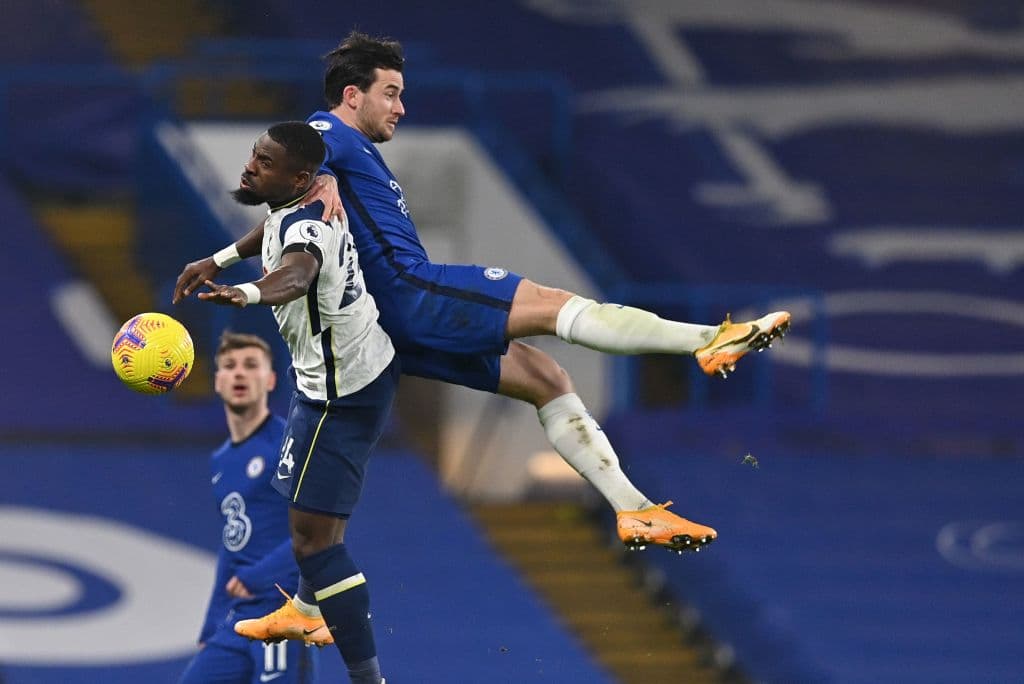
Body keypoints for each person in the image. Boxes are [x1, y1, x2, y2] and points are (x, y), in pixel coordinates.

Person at [174, 30, 788, 639]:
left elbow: (288, 201)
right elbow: (286, 167)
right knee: (554, 306)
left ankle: (633, 510)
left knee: (547, 379)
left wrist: (226, 254)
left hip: (390, 332)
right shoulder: (329, 135)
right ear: (352, 95)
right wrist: (314, 182)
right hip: (416, 295)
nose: (401, 107)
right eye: (391, 93)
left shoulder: (335, 154)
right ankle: (707, 340)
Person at [181, 121, 397, 684]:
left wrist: (247, 291)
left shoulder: (310, 229)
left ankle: (358, 668)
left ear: (298, 176)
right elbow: (271, 227)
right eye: (254, 153)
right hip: (322, 384)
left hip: (346, 389)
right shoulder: (306, 192)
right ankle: (304, 609)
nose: (250, 165)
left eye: (264, 160)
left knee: (317, 540)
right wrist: (221, 258)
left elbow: (297, 272)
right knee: (311, 530)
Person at [179, 331, 320, 684]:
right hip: (236, 620)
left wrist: (257, 577)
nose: (239, 373)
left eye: (251, 365)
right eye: (229, 366)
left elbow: (320, 531)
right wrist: (210, 626)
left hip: (284, 612)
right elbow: (232, 544)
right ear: (218, 381)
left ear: (270, 379)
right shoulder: (221, 462)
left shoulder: (289, 445)